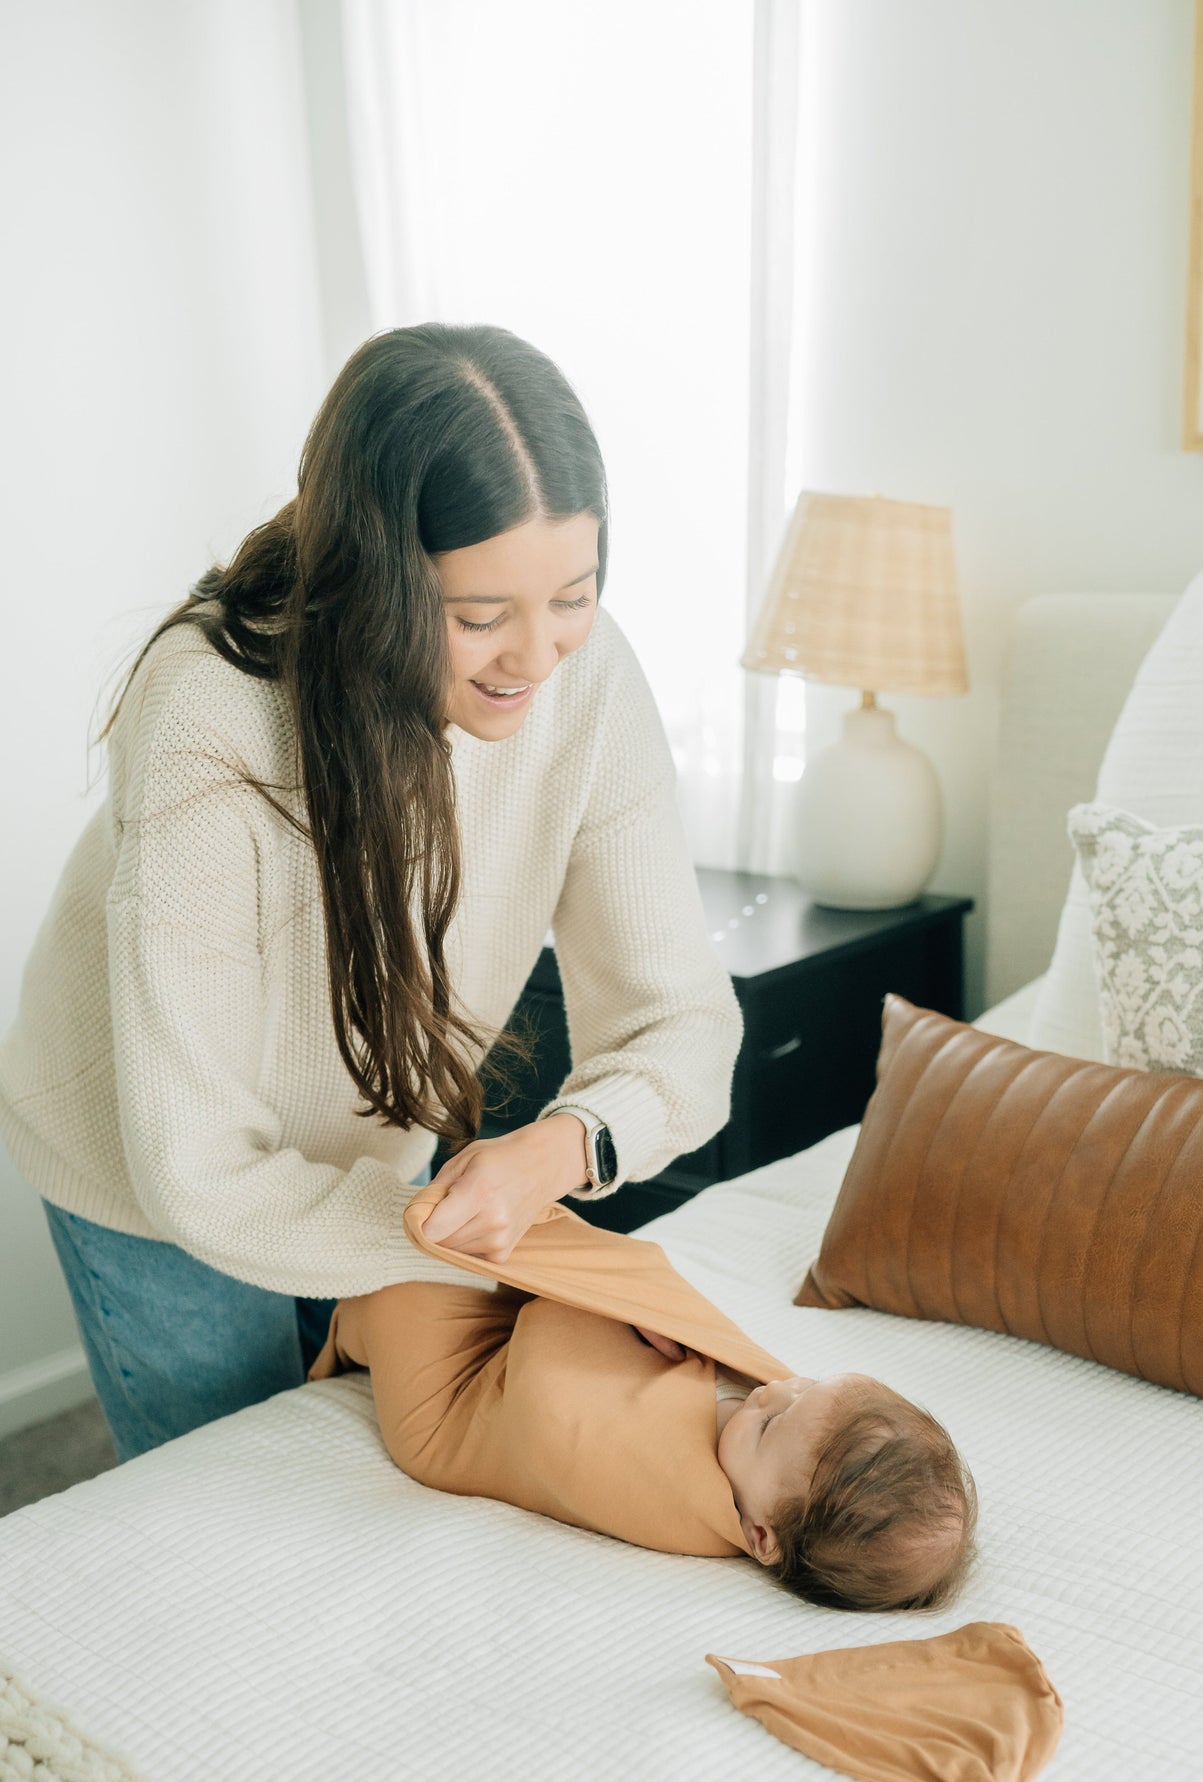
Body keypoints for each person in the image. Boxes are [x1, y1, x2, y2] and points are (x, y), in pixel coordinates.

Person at [0, 326, 741, 1461]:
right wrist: (433, 1231)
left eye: (572, 597)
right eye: (480, 615)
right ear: (376, 580)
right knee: (237, 1495)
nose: (534, 658)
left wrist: (566, 1146)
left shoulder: (582, 678)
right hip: (153, 1174)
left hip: (364, 1158)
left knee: (361, 1476)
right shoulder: (211, 708)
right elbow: (193, 1164)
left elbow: (682, 1024)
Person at [309, 1193, 976, 1612]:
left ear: (761, 1536)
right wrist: (651, 1316)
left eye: (769, 1424)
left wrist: (610, 1313)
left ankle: (340, 1315)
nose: (774, 1389)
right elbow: (721, 1356)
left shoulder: (668, 1490)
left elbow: (554, 1405)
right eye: (805, 1385)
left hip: (454, 1402)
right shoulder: (769, 1468)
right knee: (477, 1220)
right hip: (506, 1365)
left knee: (400, 1261)